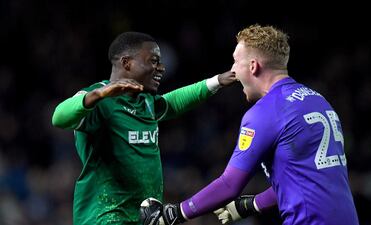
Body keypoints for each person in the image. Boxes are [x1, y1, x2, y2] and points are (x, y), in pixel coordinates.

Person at [140, 24, 359, 225]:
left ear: (253, 66)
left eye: (236, 61)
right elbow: (306, 178)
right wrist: (251, 205)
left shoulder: (266, 111)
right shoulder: (318, 100)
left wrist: (173, 214)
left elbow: (229, 184)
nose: (233, 70)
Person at [51, 31, 236, 225]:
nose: (161, 68)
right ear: (126, 63)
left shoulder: (145, 101)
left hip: (142, 218)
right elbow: (59, 117)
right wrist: (98, 94)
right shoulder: (99, 99)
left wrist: (217, 81)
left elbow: (172, 102)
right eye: (154, 61)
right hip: (104, 217)